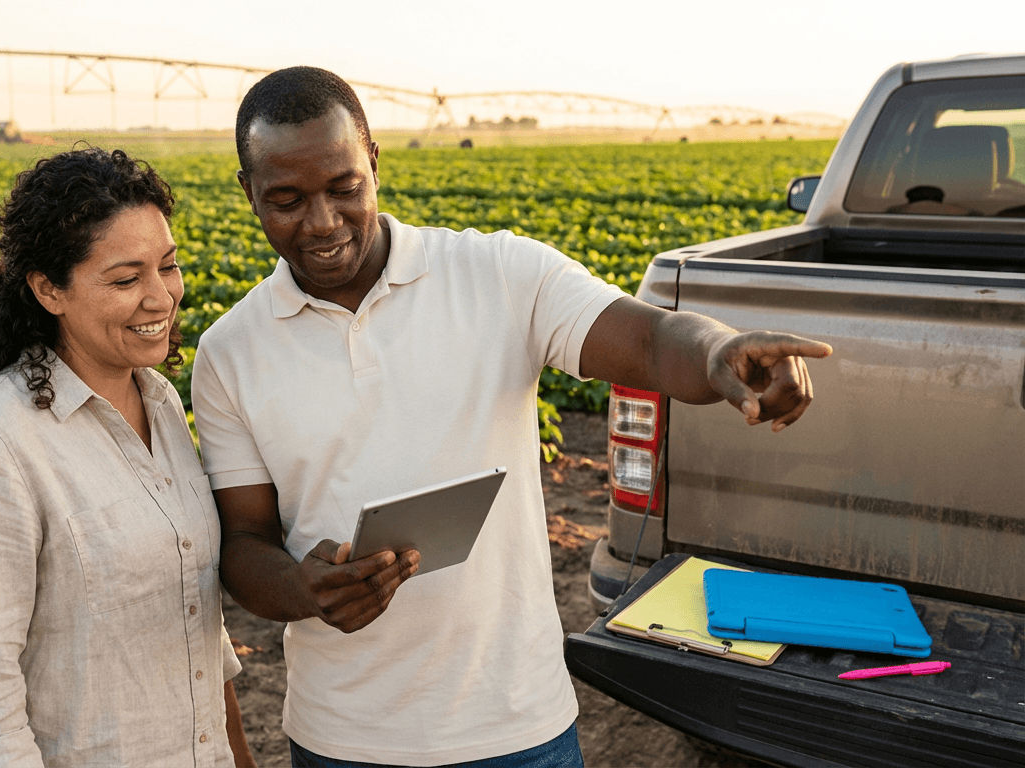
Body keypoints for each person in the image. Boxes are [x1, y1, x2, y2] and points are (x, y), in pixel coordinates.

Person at [190, 67, 833, 768]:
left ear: (374, 163)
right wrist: (302, 589)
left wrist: (717, 352)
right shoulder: (230, 352)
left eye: (344, 188)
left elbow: (649, 340)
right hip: (342, 738)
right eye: (286, 199)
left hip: (516, 726)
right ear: (247, 193)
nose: (322, 222)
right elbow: (245, 543)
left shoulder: (498, 274)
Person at [0, 147, 255, 768]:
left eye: (168, 266)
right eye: (126, 280)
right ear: (48, 290)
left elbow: (194, 620)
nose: (161, 298)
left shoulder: (160, 401)